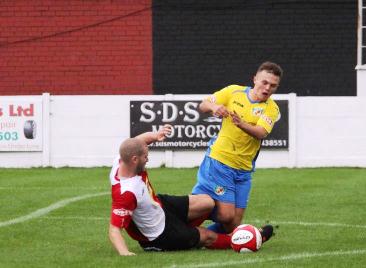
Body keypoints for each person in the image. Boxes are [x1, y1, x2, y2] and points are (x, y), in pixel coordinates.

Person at [191, 61, 282, 239]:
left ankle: (196, 236)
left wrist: (241, 124)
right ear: (255, 79)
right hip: (221, 160)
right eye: (264, 82)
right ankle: (188, 213)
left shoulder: (271, 108)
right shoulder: (234, 92)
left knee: (232, 224)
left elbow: (261, 132)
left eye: (273, 86)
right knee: (226, 215)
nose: (267, 88)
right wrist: (214, 107)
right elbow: (203, 105)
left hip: (244, 169)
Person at [108, 125, 232, 256]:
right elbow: (114, 229)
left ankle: (187, 230)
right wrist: (124, 253)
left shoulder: (122, 160)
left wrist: (156, 136)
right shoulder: (126, 193)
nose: (147, 159)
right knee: (208, 236)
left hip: (160, 206)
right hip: (159, 234)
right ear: (134, 159)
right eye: (145, 157)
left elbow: (138, 141)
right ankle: (240, 240)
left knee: (208, 202)